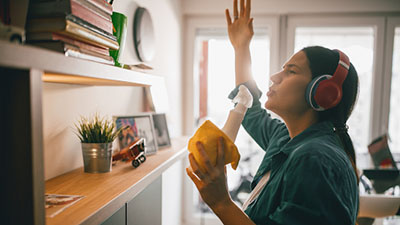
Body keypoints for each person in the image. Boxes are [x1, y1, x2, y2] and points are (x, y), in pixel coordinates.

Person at [185, 0, 360, 224]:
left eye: (291, 71)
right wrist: (241, 48)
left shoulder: (315, 160)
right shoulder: (287, 139)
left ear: (323, 93)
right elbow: (249, 107)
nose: (275, 77)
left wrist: (221, 203)